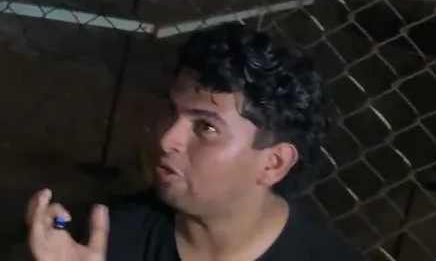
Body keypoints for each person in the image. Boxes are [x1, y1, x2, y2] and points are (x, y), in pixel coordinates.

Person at [26, 23, 362, 260]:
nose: (166, 139)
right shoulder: (115, 236)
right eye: (173, 112)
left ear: (273, 164)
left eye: (206, 127)